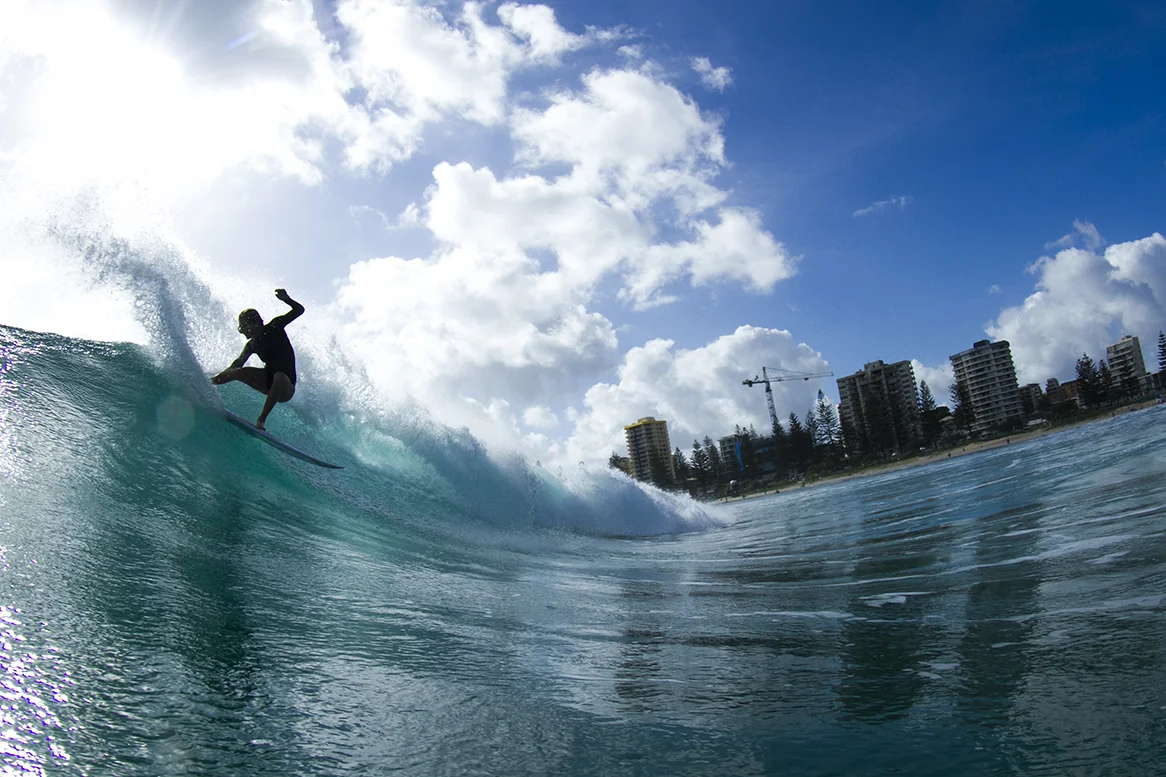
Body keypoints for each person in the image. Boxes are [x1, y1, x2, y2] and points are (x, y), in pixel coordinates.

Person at [212, 288, 304, 430]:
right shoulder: (252, 345)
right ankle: (207, 383)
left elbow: (299, 310)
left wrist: (286, 299)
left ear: (254, 323)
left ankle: (261, 420)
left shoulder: (275, 326)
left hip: (286, 387)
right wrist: (212, 380)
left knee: (279, 376)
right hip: (267, 381)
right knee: (239, 371)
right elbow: (237, 364)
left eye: (243, 327)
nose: (242, 330)